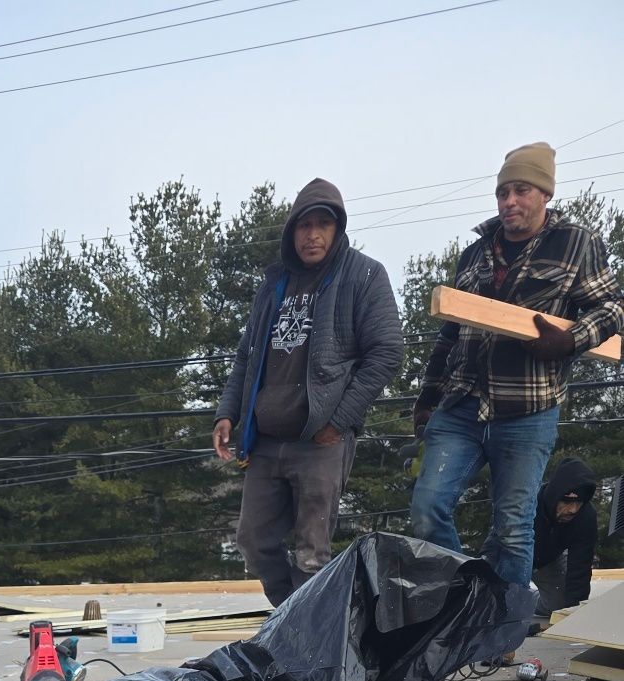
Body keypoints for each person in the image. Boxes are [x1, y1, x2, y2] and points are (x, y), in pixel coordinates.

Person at [410, 143, 624, 589]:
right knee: (428, 508)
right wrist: (428, 397)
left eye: (521, 190)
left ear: (544, 193)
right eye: (503, 192)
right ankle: (468, 599)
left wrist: (570, 340)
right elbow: (450, 332)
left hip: (528, 408)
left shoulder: (577, 244)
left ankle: (502, 626)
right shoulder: (474, 253)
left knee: (512, 526)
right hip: (462, 404)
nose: (510, 201)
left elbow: (613, 309)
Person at [214, 178, 402, 606]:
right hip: (265, 438)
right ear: (291, 231)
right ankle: (292, 620)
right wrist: (227, 413)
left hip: (319, 438)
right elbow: (247, 354)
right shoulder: (276, 281)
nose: (312, 234)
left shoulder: (363, 274)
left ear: (337, 230)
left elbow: (387, 353)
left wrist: (340, 421)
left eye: (323, 224)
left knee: (311, 552)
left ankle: (304, 639)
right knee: (253, 541)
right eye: (304, 225)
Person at [530, 456, 596, 621]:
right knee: (500, 604)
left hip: (549, 560)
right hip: (516, 553)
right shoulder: (529, 502)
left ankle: (532, 600)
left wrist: (574, 614)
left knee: (559, 608)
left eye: (579, 503)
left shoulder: (586, 516)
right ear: (554, 495)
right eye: (567, 502)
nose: (573, 509)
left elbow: (580, 566)